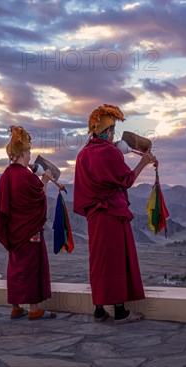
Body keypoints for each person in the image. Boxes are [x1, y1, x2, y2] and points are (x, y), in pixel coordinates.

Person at [73, 104, 157, 324]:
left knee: (99, 260)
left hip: (94, 216)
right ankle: (120, 311)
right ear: (108, 132)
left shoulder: (83, 155)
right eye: (112, 132)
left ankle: (99, 309)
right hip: (111, 214)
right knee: (116, 260)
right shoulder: (108, 151)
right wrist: (143, 161)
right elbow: (126, 180)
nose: (113, 136)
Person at [0, 126, 57, 320]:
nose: (30, 156)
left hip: (14, 231)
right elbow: (38, 200)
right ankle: (34, 308)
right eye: (29, 152)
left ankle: (15, 306)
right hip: (30, 231)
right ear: (22, 152)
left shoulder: (6, 175)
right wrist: (45, 181)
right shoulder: (27, 176)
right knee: (31, 267)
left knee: (15, 267)